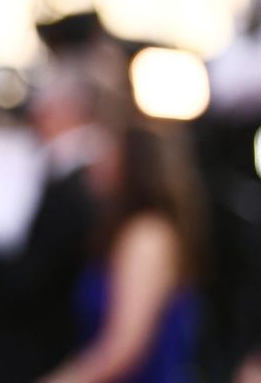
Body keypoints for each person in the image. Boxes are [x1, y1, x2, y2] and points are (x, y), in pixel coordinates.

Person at [38, 125, 204, 383]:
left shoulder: (148, 235)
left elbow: (125, 347)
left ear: (135, 162)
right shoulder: (120, 230)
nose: (97, 162)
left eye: (109, 153)